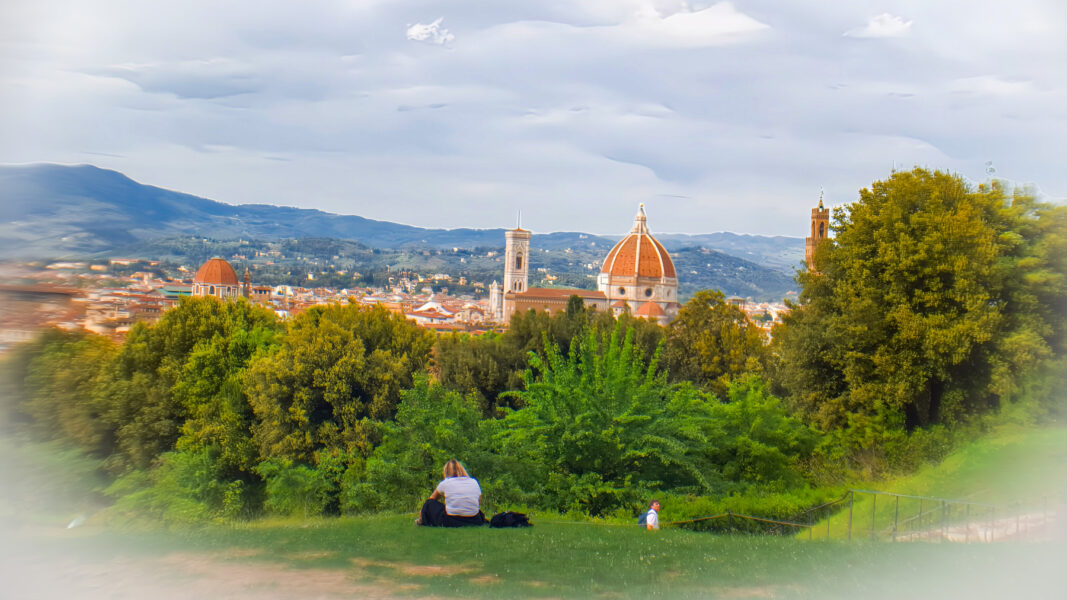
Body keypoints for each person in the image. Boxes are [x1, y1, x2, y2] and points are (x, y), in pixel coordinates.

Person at [416, 459, 487, 527]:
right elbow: (479, 501)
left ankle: (422, 520)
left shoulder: (446, 483)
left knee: (429, 504)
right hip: (474, 520)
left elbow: (431, 499)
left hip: (452, 521)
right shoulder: (473, 481)